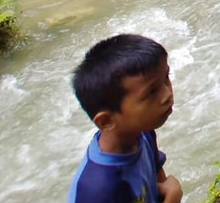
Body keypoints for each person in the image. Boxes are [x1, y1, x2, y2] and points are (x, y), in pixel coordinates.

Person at [68, 34, 182, 203]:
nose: (167, 95)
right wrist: (172, 198)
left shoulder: (143, 133)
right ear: (106, 121)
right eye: (151, 92)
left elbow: (157, 178)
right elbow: (168, 191)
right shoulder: (98, 191)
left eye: (166, 77)